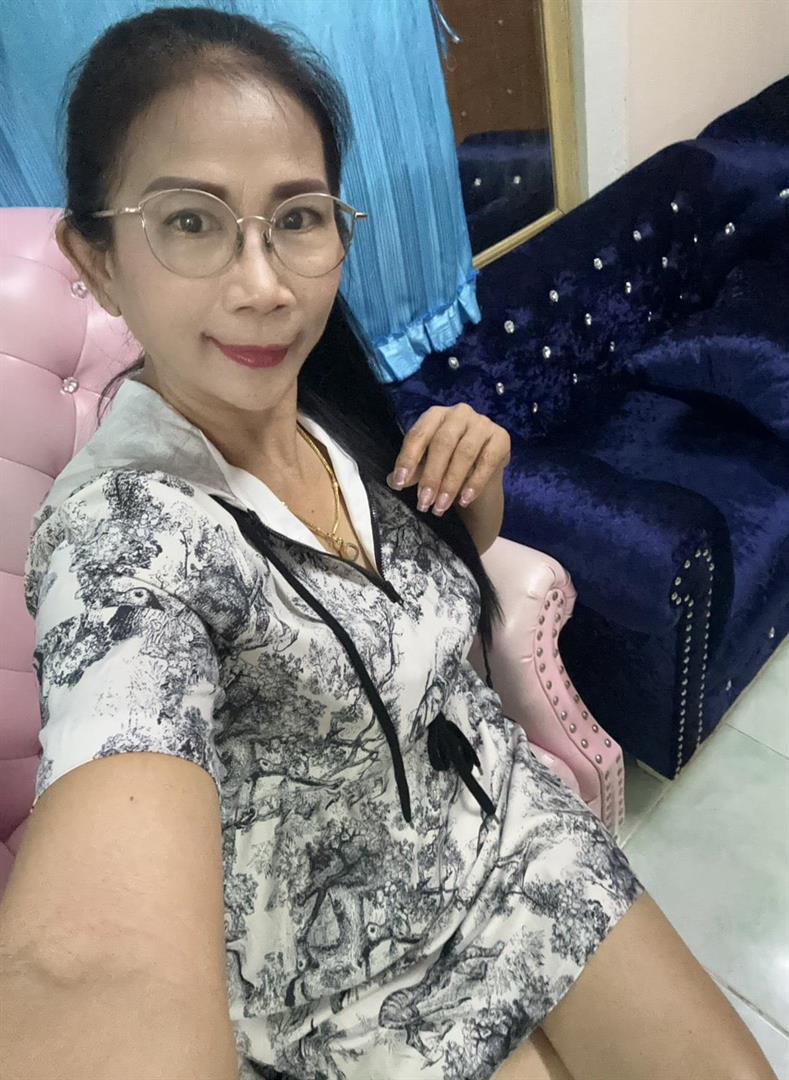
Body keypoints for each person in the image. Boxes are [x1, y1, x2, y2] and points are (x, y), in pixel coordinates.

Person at [1, 7, 777, 1080]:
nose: (264, 285)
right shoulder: (123, 535)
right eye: (189, 221)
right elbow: (92, 958)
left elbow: (420, 600)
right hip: (345, 989)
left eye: (296, 217)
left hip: (508, 831)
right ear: (96, 258)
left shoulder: (327, 403)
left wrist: (477, 495)